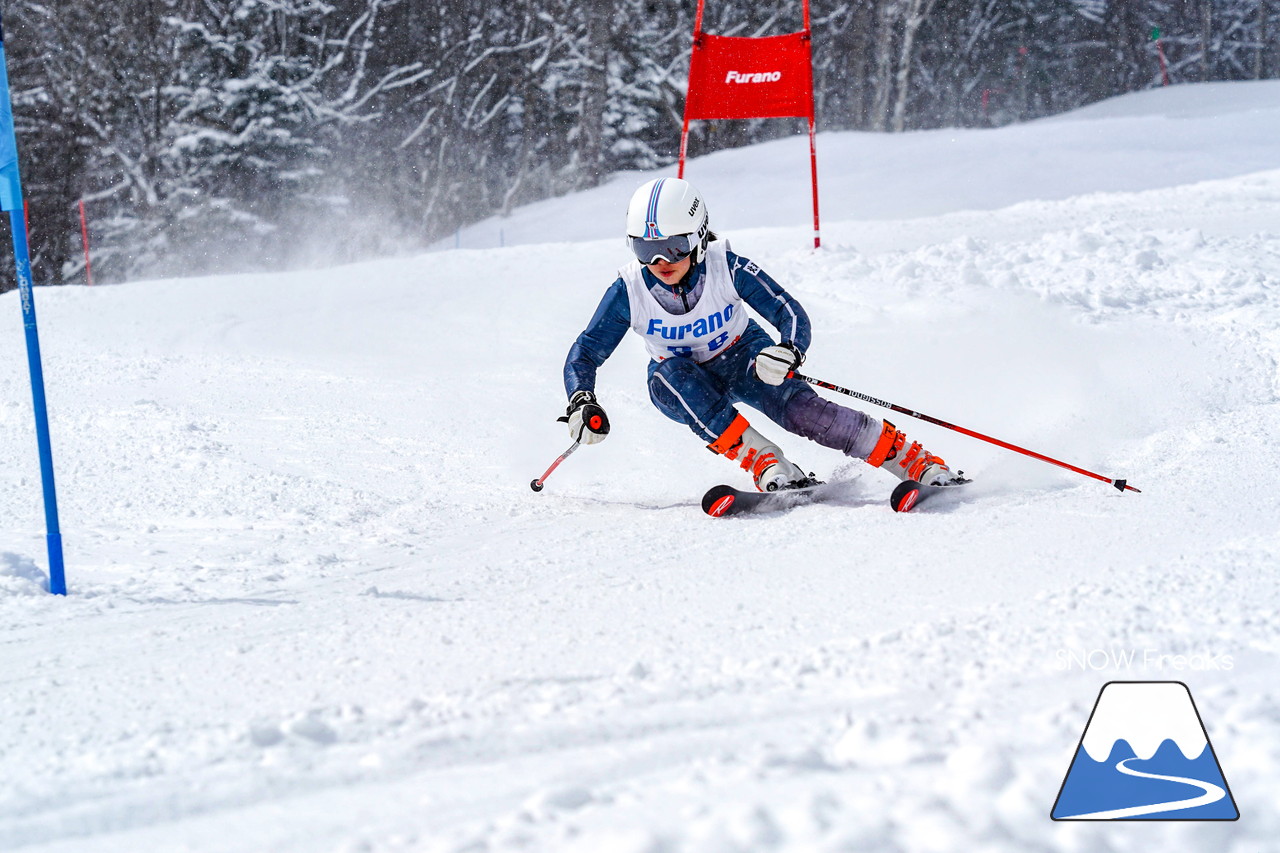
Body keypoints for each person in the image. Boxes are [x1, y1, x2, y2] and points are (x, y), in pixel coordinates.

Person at [561, 177, 965, 492]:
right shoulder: (629, 290)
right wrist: (581, 399)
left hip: (745, 356)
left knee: (805, 415)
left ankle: (912, 461)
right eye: (647, 249)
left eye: (675, 246)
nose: (662, 261)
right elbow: (586, 352)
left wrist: (789, 350)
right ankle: (766, 461)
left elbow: (788, 310)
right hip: (682, 381)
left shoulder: (727, 266)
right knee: (671, 378)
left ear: (699, 237)